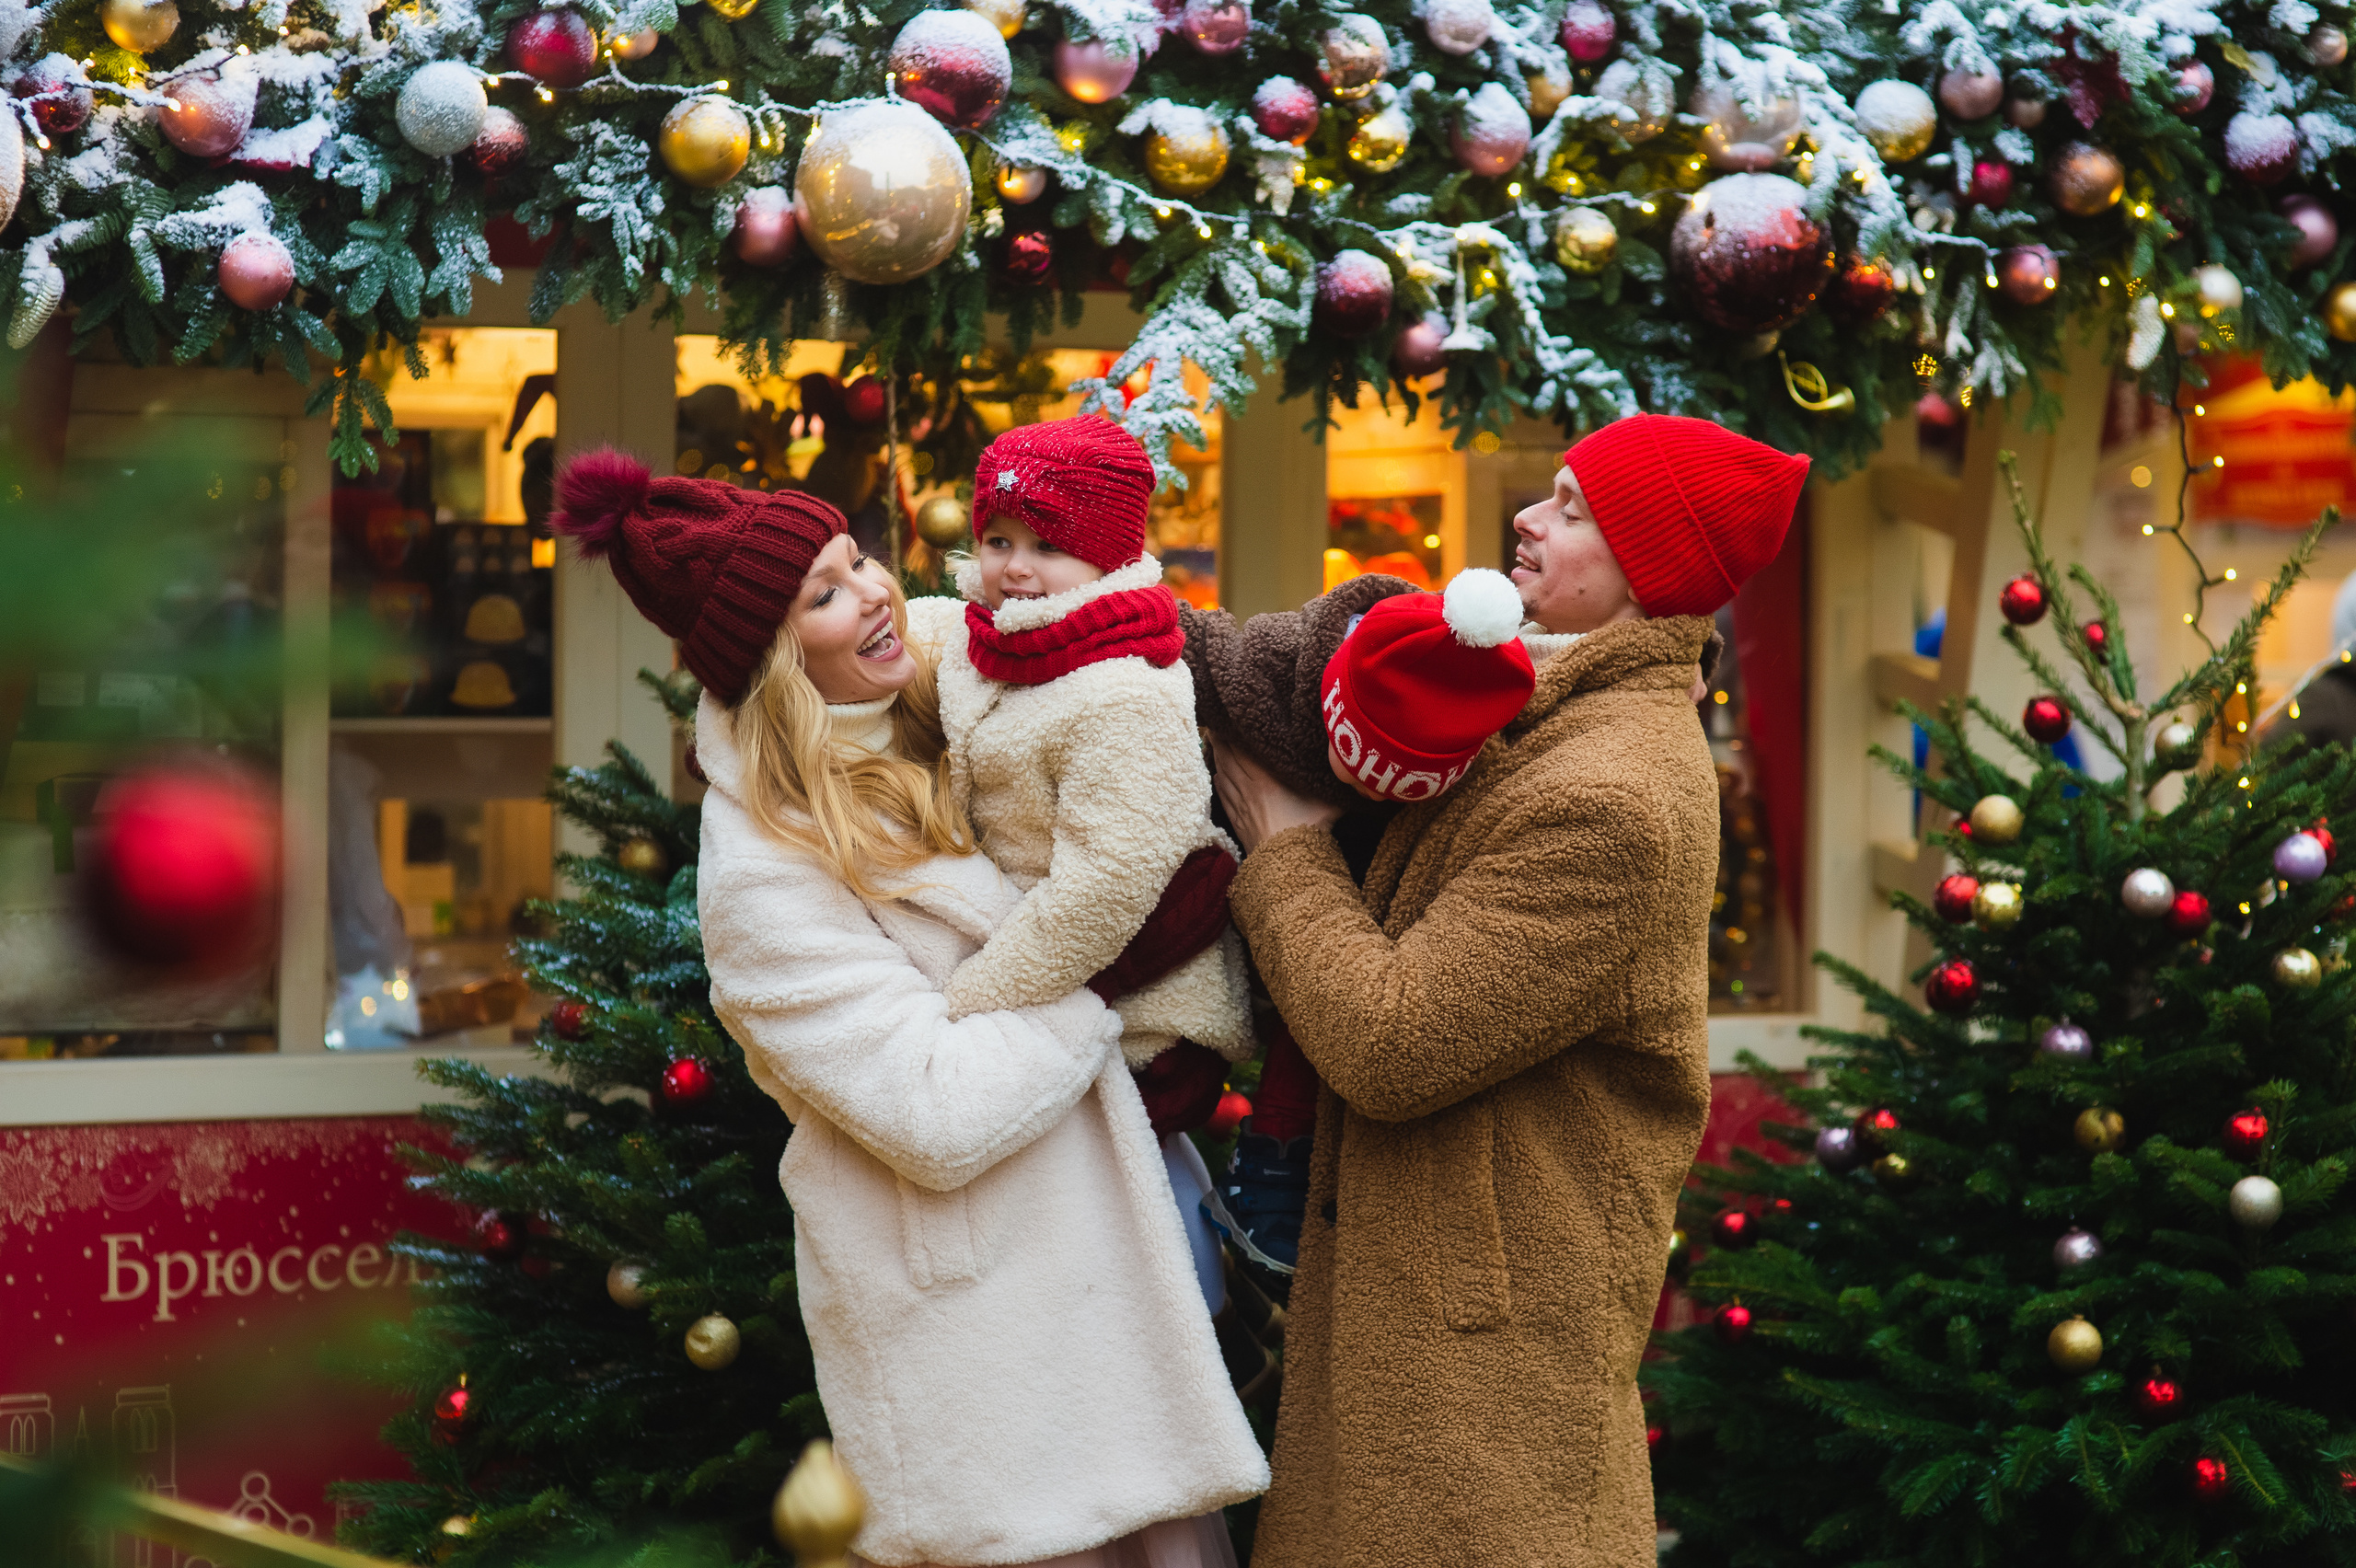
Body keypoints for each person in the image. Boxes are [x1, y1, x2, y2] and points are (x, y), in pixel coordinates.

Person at [549, 451, 1267, 1568]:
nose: (876, 592)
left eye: (857, 559)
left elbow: (1112, 637)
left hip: (1112, 1274)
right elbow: (932, 1110)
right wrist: (1099, 982)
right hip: (976, 1325)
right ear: (774, 659)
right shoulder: (762, 883)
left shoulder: (946, 678)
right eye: (823, 595)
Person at [1208, 412, 1807, 1566]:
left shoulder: (1613, 798)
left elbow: (1392, 1043)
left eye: (1576, 509)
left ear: (1653, 570)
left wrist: (1278, 846)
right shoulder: (1541, 712)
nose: (1530, 519)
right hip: (1424, 1325)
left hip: (1477, 1388)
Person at [1179, 570, 1537, 1290]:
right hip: (1213, 882)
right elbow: (1185, 639)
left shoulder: (1477, 728)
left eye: (1396, 783)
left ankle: (1276, 1167)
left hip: (1329, 925)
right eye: (1360, 763)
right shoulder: (1270, 670)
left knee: (1309, 1048)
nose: (1368, 788)